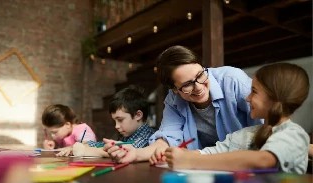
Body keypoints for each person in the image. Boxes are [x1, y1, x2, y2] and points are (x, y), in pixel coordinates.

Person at [104, 45, 262, 163]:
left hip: (247, 162)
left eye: (200, 75)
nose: (199, 87)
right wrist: (136, 154)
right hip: (204, 166)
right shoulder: (173, 101)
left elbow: (266, 126)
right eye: (187, 84)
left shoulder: (233, 81)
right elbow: (166, 139)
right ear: (174, 89)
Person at [163, 63, 310, 174]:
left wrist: (191, 161)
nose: (247, 97)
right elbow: (211, 152)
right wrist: (181, 155)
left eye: (253, 91)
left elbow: (263, 160)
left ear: (273, 97)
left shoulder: (294, 135)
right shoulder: (245, 135)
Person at [57, 86, 155, 157]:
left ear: (138, 115)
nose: (116, 126)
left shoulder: (148, 136)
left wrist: (85, 151)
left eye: (120, 120)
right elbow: (102, 145)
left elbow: (125, 151)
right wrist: (80, 146)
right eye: (115, 121)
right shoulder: (128, 134)